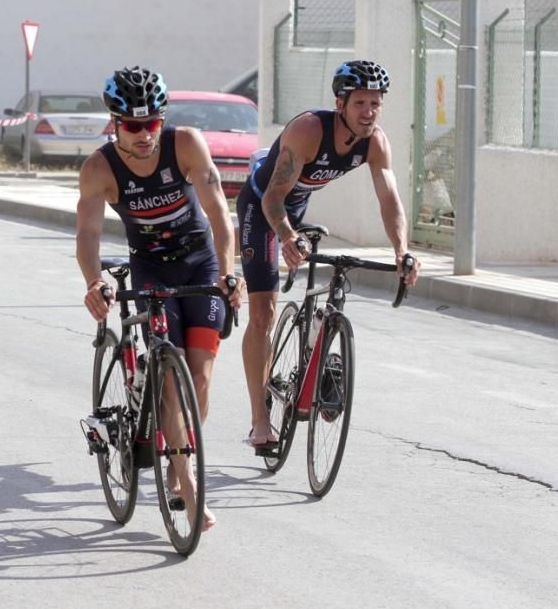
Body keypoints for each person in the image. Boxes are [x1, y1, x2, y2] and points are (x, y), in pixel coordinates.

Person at [76, 66, 245, 532]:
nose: (145, 134)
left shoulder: (185, 144)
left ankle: (179, 451)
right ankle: (187, 487)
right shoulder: (99, 168)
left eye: (152, 122)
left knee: (201, 379)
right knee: (170, 381)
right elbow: (88, 233)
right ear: (114, 123)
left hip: (200, 265)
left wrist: (230, 273)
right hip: (151, 271)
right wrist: (95, 282)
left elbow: (218, 215)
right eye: (133, 125)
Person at [236, 59, 420, 450]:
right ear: (340, 104)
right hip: (262, 205)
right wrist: (286, 236)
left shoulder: (375, 143)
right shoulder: (308, 130)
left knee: (326, 279)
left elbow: (389, 199)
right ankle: (259, 420)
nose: (369, 113)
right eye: (360, 104)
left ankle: (315, 366)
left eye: (375, 104)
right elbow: (273, 197)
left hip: (298, 205)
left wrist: (402, 250)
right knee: (263, 311)